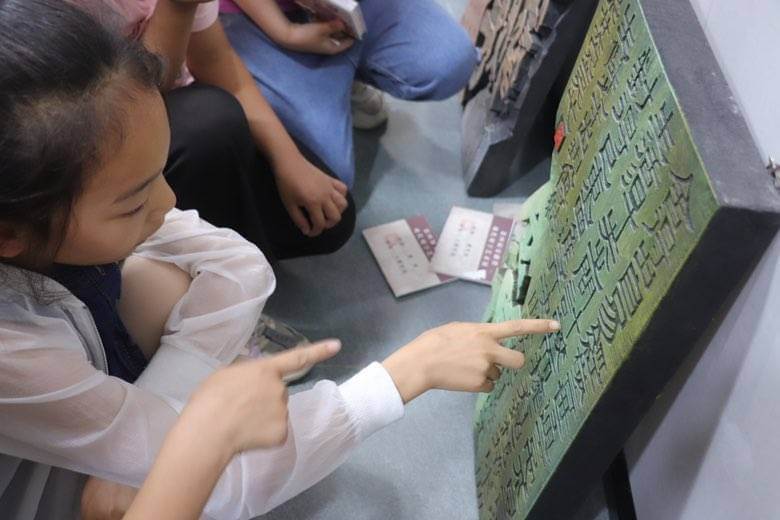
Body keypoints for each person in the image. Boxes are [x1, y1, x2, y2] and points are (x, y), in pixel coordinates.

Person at [0, 2, 557, 519]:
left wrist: (162, 426)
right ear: (11, 233)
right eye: (134, 201)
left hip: (69, 362)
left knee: (167, 284)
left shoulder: (54, 212)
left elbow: (237, 265)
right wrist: (406, 373)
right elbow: (229, 477)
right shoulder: (12, 357)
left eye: (161, 174)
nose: (169, 202)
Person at [76, 0, 355, 258]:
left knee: (330, 220)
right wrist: (178, 8)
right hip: (106, 135)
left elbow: (215, 58)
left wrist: (288, 158)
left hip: (175, 104)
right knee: (210, 120)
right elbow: (137, 104)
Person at [220, 0, 479, 187]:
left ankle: (346, 79)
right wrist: (284, 32)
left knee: (449, 59)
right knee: (327, 176)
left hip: (346, 7)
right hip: (251, 15)